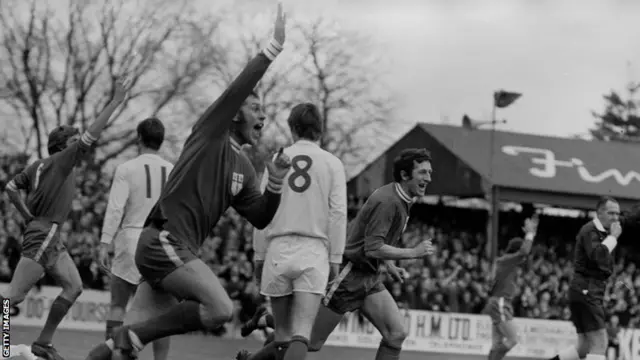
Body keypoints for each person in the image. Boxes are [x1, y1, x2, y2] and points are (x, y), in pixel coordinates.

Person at [85, 4, 289, 360]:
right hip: (162, 242)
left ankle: (118, 341)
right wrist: (271, 50)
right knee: (220, 309)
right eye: (257, 109)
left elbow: (260, 217)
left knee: (115, 350)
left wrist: (277, 183)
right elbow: (237, 90)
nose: (264, 116)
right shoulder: (210, 133)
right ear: (236, 113)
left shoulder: (245, 165)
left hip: (170, 250)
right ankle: (132, 336)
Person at [239, 148, 436, 360]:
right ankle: (255, 349)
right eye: (423, 172)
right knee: (310, 342)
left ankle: (267, 322)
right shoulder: (389, 201)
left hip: (368, 277)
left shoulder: (401, 198)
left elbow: (372, 241)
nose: (429, 178)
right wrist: (413, 252)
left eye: (429, 172)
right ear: (405, 175)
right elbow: (372, 247)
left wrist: (388, 264)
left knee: (396, 334)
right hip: (348, 276)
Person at [2, 81, 127, 360]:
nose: (79, 146)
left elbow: (10, 187)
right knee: (12, 298)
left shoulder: (37, 166)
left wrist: (26, 217)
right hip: (45, 234)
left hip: (47, 234)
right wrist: (116, 101)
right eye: (74, 142)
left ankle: (42, 343)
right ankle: (6, 345)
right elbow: (91, 136)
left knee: (74, 286)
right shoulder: (62, 160)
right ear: (62, 147)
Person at [249, 103, 348, 360]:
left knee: (281, 334)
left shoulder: (276, 159)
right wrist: (336, 258)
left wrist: (259, 254)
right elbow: (338, 214)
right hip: (313, 249)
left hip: (278, 246)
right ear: (320, 130)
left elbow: (262, 210)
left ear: (292, 128)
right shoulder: (332, 163)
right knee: (301, 333)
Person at [98, 117, 173, 360]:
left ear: (139, 138)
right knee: (161, 312)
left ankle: (112, 355)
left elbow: (115, 208)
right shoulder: (173, 171)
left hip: (131, 239)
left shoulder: (126, 168)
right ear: (161, 141)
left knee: (119, 305)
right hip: (161, 242)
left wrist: (104, 242)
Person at [548, 196, 621, 360]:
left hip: (583, 290)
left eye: (618, 214)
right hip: (587, 290)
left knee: (583, 347)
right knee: (600, 343)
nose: (616, 218)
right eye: (611, 213)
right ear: (600, 212)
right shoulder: (590, 230)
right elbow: (597, 256)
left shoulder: (600, 233)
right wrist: (613, 237)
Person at [482, 216, 539, 360]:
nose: (525, 259)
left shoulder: (503, 263)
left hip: (496, 302)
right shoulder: (508, 261)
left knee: (497, 344)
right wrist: (530, 234)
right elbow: (524, 252)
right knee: (513, 339)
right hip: (500, 303)